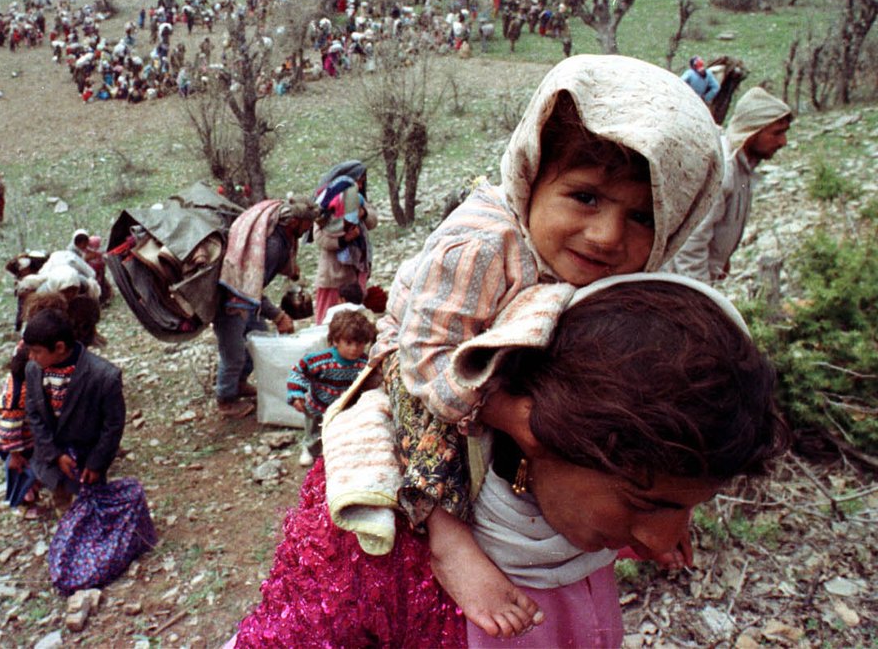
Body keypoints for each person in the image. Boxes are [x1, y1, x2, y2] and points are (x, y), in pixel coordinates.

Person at [359, 54, 725, 637]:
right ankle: (448, 540)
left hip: (504, 359)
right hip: (427, 363)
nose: (607, 235)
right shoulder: (481, 245)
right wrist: (507, 412)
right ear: (532, 175)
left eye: (641, 217)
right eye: (585, 198)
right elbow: (424, 360)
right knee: (422, 425)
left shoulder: (603, 265)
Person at [231, 275, 787, 647]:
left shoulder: (568, 504)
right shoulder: (371, 534)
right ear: (541, 429)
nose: (662, 542)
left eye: (687, 508)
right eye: (646, 504)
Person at [670, 86, 793, 284]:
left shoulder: (743, 167)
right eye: (777, 133)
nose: (783, 141)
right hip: (681, 282)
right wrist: (699, 298)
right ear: (753, 130)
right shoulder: (724, 169)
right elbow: (692, 244)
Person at [213, 195, 321, 418]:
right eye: (308, 223)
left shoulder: (283, 237)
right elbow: (250, 283)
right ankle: (225, 400)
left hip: (248, 299)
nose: (310, 227)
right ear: (295, 222)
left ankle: (239, 383)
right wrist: (278, 315)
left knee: (259, 339)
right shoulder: (273, 244)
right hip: (231, 299)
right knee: (233, 353)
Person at [23, 308, 125, 511]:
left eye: (36, 351)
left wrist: (97, 463)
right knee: (62, 502)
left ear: (59, 347)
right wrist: (55, 454)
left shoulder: (103, 376)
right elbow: (33, 414)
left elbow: (113, 425)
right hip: (52, 458)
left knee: (92, 507)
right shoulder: (34, 370)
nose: (31, 357)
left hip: (87, 460)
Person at [288, 309, 377, 467]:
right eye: (348, 343)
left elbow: (371, 381)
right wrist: (296, 394)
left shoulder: (364, 363)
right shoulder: (321, 360)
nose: (354, 349)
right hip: (318, 405)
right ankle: (309, 449)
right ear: (335, 341)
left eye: (360, 344)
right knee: (315, 433)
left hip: (344, 407)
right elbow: (299, 371)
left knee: (340, 434)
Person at [312, 161, 377, 324]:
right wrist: (344, 239)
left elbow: (373, 221)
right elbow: (320, 237)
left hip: (355, 273)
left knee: (354, 323)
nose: (360, 184)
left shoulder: (358, 200)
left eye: (362, 181)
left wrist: (363, 214)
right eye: (358, 180)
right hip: (334, 275)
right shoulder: (328, 205)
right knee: (329, 323)